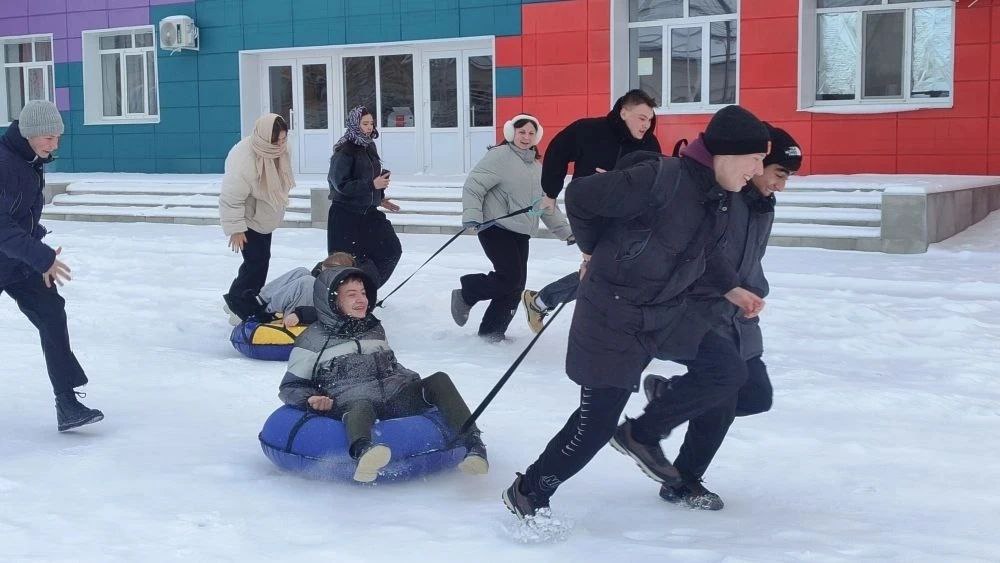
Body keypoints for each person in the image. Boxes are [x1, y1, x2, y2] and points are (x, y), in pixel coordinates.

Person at [502, 105, 771, 521]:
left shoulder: (718, 196)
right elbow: (581, 196)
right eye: (754, 159)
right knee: (594, 425)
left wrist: (731, 288)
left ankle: (643, 432)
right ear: (728, 153)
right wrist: (592, 250)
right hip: (614, 312)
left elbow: (707, 250)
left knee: (727, 371)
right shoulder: (660, 177)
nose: (757, 170)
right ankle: (529, 491)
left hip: (667, 311)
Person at [639, 124, 802, 510]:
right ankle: (682, 481)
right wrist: (730, 289)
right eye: (779, 174)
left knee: (756, 396)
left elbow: (750, 258)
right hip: (699, 311)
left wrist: (752, 291)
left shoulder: (762, 206)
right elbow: (699, 256)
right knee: (722, 396)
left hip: (738, 315)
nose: (781, 186)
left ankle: (676, 393)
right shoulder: (722, 198)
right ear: (756, 163)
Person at [278, 265, 488, 483]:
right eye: (351, 294)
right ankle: (364, 452)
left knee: (439, 380)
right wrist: (310, 399)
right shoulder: (312, 341)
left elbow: (391, 365)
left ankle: (473, 444)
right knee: (360, 403)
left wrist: (412, 381)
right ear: (332, 301)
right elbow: (290, 387)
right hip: (351, 402)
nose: (361, 299)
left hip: (393, 397)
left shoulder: (374, 329)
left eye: (363, 293)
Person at [520, 89, 662, 333]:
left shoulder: (649, 144)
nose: (646, 125)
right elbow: (557, 151)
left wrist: (623, 181)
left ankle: (540, 301)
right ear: (624, 112)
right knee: (602, 270)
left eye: (649, 119)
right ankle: (546, 303)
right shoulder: (589, 130)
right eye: (641, 118)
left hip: (628, 219)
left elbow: (657, 180)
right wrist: (551, 191)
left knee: (607, 272)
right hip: (591, 216)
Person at [0, 100, 104, 431]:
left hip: (18, 260)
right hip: (15, 252)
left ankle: (67, 403)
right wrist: (41, 256)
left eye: (58, 137)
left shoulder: (32, 159)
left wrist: (36, 237)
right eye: (48, 137)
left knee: (52, 313)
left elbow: (20, 213)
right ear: (29, 134)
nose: (54, 144)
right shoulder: (4, 163)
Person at [450, 114, 574, 342]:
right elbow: (474, 185)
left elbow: (545, 204)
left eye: (531, 133)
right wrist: (472, 215)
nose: (526, 137)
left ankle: (492, 333)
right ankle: (468, 291)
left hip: (521, 231)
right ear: (511, 133)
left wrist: (567, 232)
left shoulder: (537, 167)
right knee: (510, 278)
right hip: (495, 225)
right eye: (521, 132)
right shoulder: (499, 156)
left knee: (516, 286)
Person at [219, 113, 294, 322]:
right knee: (255, 263)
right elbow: (230, 198)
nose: (281, 145)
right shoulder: (243, 159)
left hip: (265, 216)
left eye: (284, 139)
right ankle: (240, 306)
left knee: (260, 261)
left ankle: (239, 299)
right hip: (248, 219)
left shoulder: (282, 149)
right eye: (276, 141)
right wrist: (236, 229)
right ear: (264, 137)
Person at [327, 105, 402, 288]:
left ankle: (367, 291)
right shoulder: (345, 150)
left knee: (391, 250)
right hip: (346, 216)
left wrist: (379, 197)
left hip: (368, 212)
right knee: (350, 262)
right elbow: (341, 184)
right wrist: (371, 185)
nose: (369, 127)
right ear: (355, 124)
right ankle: (350, 297)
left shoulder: (369, 146)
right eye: (365, 123)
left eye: (371, 123)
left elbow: (368, 177)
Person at [226, 251, 378, 327]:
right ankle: (259, 300)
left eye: (325, 273)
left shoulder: (346, 292)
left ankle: (265, 311)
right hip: (309, 304)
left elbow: (333, 314)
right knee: (302, 271)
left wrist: (300, 314)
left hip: (304, 314)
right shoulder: (333, 282)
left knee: (307, 282)